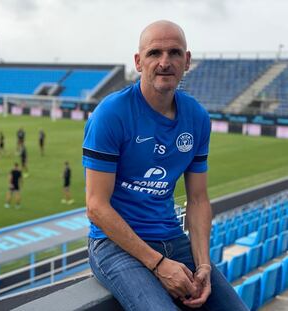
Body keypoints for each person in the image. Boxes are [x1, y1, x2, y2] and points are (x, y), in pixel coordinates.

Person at [82, 20, 248, 311]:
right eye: (154, 53)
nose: (164, 62)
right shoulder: (111, 113)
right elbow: (96, 206)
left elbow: (198, 199)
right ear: (138, 61)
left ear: (187, 61)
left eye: (174, 53)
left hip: (171, 237)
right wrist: (158, 264)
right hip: (113, 245)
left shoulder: (196, 117)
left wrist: (204, 265)